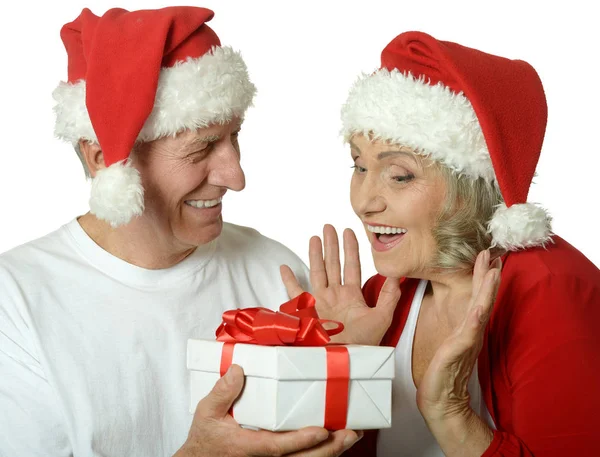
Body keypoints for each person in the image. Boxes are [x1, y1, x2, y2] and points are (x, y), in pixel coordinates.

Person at [0, 7, 361, 457]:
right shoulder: (15, 301)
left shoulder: (278, 272)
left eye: (234, 137)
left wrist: (360, 366)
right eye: (202, 147)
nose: (236, 176)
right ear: (103, 159)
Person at [281, 31, 600, 456]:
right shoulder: (384, 297)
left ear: (471, 187)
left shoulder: (552, 289)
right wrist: (334, 370)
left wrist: (451, 413)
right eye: (358, 167)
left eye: (399, 176)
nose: (363, 202)